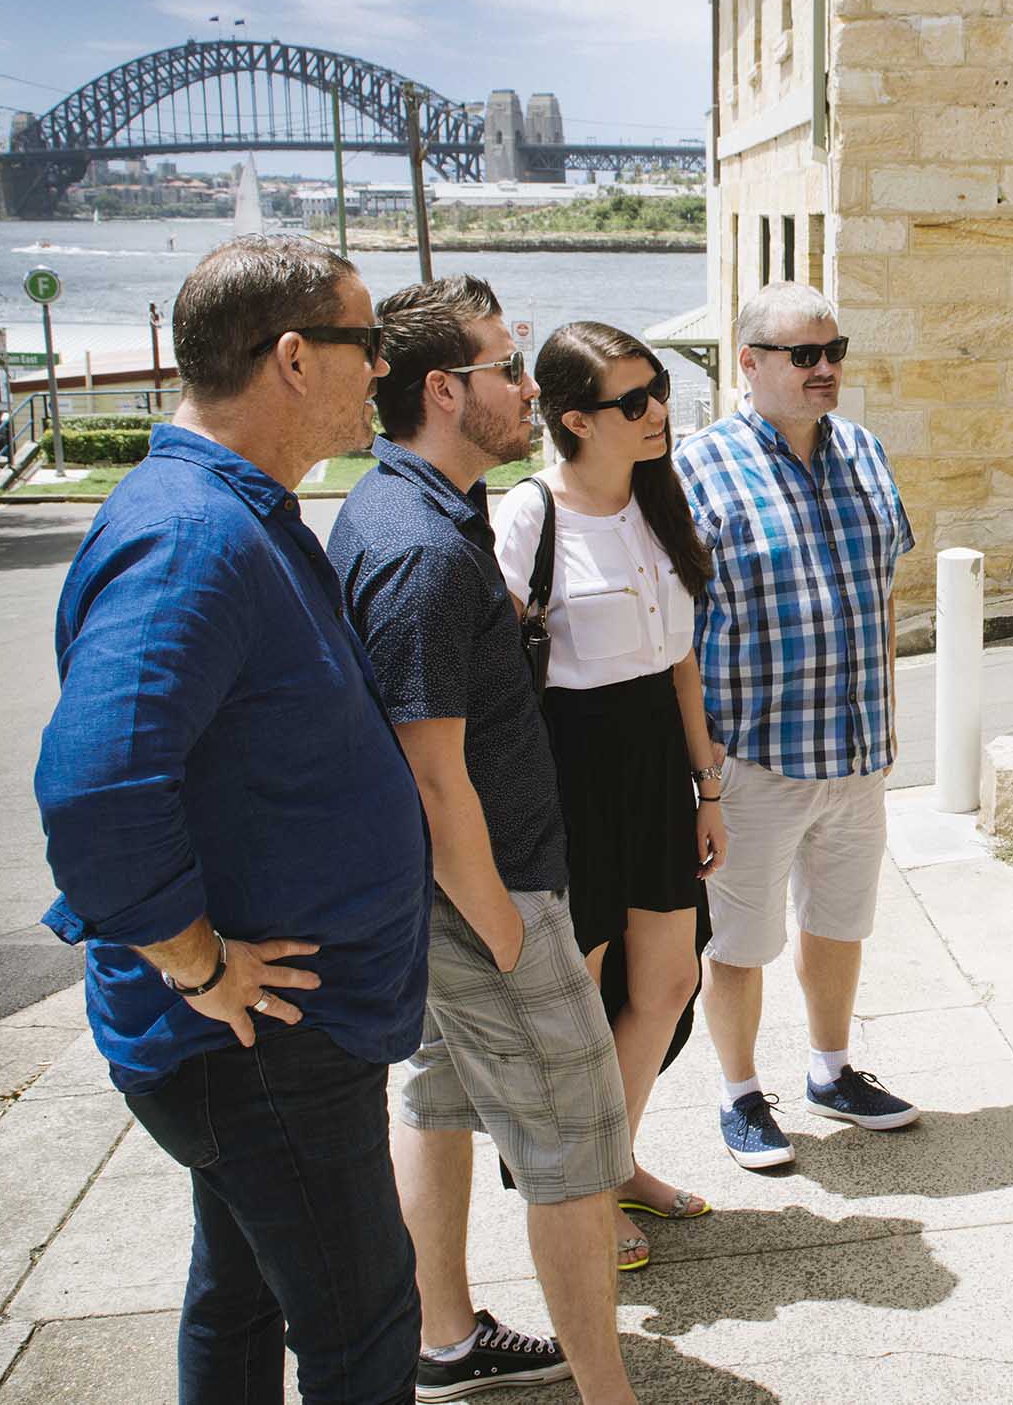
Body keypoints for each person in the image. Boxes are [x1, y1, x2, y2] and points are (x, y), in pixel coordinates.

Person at [34, 234, 429, 1404]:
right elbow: (97, 789)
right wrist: (199, 964)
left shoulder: (229, 512)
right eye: (371, 346)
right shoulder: (193, 534)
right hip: (258, 1038)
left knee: (242, 1286)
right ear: (297, 357)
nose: (384, 375)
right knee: (364, 1326)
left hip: (275, 1036)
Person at [328, 278, 637, 1404]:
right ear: (444, 390)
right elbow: (429, 771)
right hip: (484, 897)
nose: (528, 387)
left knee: (440, 1100)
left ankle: (443, 1338)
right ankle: (611, 1394)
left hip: (450, 900)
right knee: (576, 1146)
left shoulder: (421, 506)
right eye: (508, 367)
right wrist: (507, 929)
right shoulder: (418, 546)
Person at [491, 320, 728, 1267]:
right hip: (567, 769)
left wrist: (706, 786)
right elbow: (497, 676)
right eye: (634, 402)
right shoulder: (529, 515)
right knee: (580, 999)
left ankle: (615, 1157)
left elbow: (682, 665)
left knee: (670, 976)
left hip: (654, 760)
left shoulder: (661, 504)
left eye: (658, 390)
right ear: (575, 420)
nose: (658, 411)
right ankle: (580, 1193)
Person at [672, 282, 920, 1170]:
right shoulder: (696, 467)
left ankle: (832, 1068)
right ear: (749, 362)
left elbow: (883, 589)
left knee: (841, 923)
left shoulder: (863, 450)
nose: (825, 369)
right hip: (755, 760)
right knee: (739, 942)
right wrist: (704, 774)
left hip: (855, 752)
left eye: (834, 351)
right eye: (803, 355)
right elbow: (678, 639)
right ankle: (739, 1092)